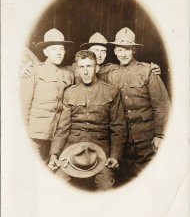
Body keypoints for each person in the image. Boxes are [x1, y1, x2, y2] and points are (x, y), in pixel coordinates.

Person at [48, 50, 126, 191]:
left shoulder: (111, 92)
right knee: (57, 184)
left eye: (89, 66)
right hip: (72, 148)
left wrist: (115, 156)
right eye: (82, 67)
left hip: (101, 150)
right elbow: (63, 128)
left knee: (106, 187)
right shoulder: (69, 92)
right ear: (77, 69)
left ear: (96, 68)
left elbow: (118, 127)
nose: (85, 72)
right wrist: (54, 154)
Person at [106, 27, 170, 183]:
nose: (123, 53)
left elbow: (162, 105)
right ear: (114, 51)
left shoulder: (147, 71)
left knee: (150, 180)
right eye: (120, 49)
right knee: (125, 181)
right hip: (123, 141)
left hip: (147, 137)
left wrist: (160, 135)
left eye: (127, 49)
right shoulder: (111, 74)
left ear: (133, 50)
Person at [20, 28, 74, 162]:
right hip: (34, 134)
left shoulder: (68, 75)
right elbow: (24, 106)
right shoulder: (34, 71)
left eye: (61, 49)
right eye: (54, 49)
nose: (59, 53)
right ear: (45, 51)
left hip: (56, 136)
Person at [20, 32, 162, 79]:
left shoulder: (112, 69)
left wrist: (152, 67)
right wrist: (30, 67)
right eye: (95, 50)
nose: (99, 55)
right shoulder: (74, 69)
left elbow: (132, 68)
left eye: (103, 51)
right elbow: (55, 69)